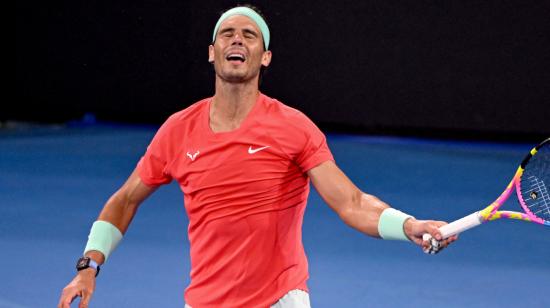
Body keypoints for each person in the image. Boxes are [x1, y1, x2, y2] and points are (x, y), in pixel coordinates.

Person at [58, 5, 456, 308]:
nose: (237, 40)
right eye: (227, 34)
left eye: (250, 35)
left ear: (264, 57)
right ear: (212, 52)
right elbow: (125, 199)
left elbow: (351, 202)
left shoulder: (293, 127)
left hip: (279, 299)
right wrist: (89, 266)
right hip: (203, 301)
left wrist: (406, 224)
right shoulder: (177, 130)